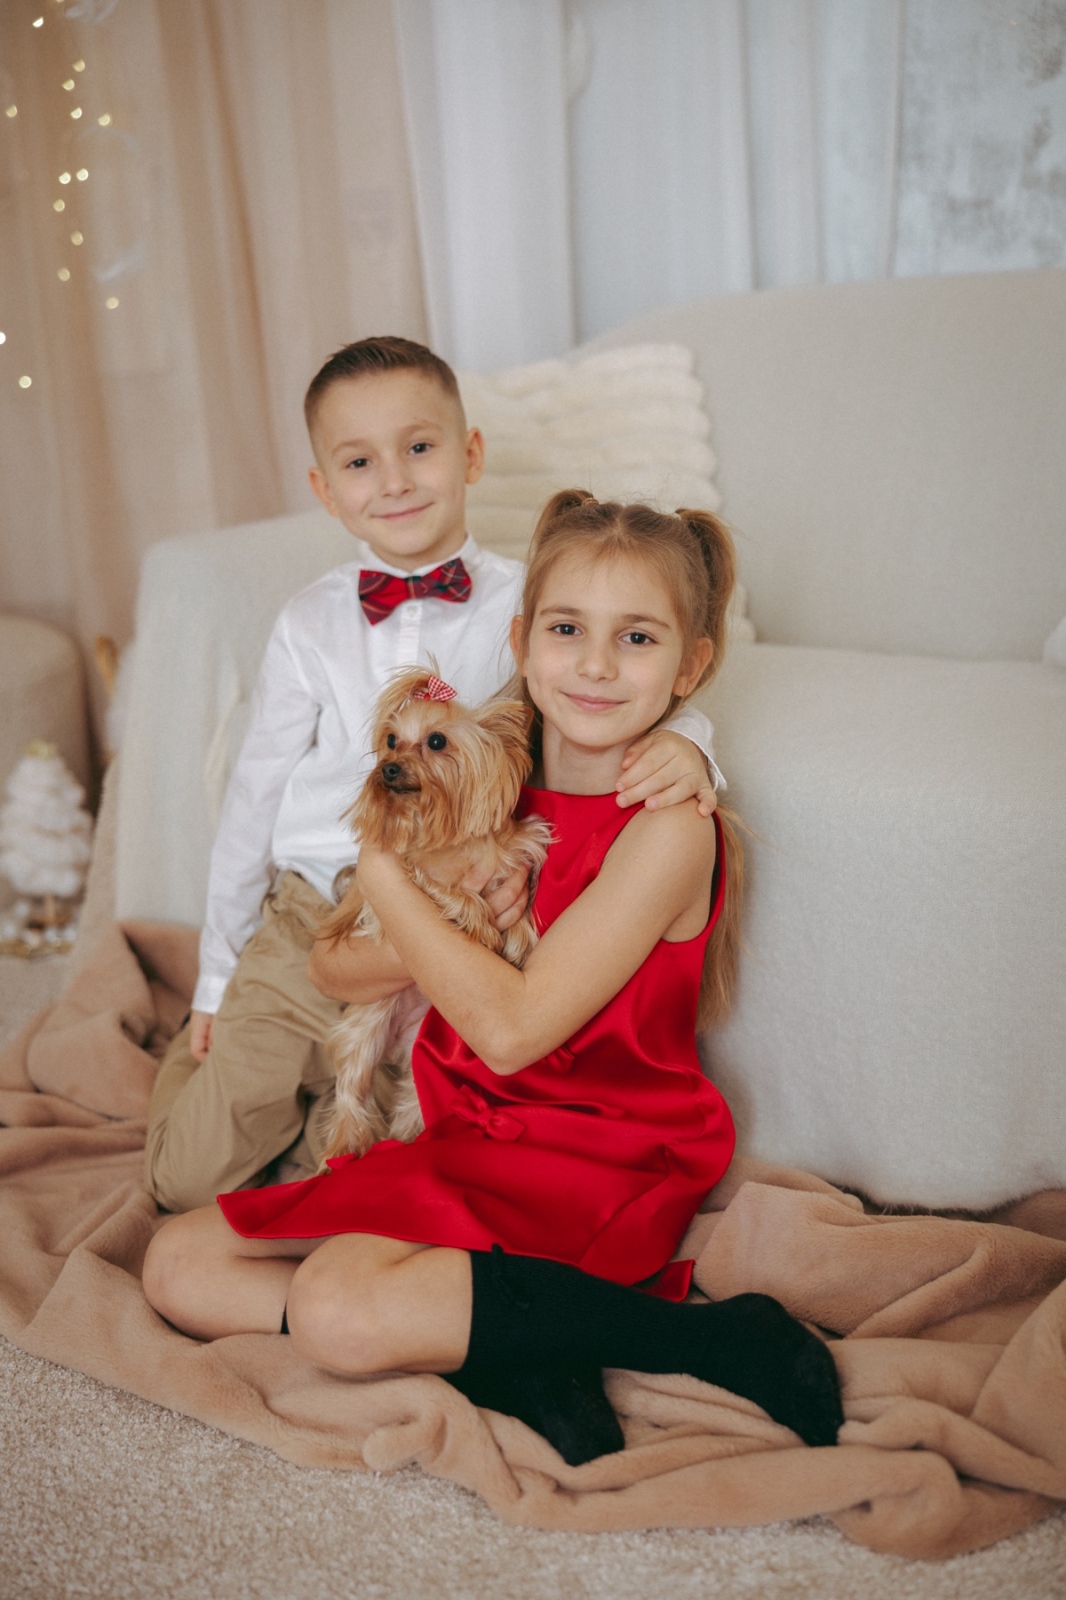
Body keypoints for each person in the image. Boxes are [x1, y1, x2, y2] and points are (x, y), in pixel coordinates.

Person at [142, 490, 844, 1466]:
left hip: (596, 1152)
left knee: (337, 1304)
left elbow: (512, 1032)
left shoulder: (668, 829)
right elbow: (330, 964)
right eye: (566, 629)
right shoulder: (485, 776)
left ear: (690, 666)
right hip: (468, 1128)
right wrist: (406, 906)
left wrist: (386, 871)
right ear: (520, 640)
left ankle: (710, 1337)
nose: (595, 664)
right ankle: (516, 1344)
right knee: (179, 1263)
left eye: (637, 639)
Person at [144, 339, 724, 1214]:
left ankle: (312, 1116)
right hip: (317, 910)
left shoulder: (532, 608)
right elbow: (254, 795)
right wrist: (215, 979)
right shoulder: (307, 623)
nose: (395, 480)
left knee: (375, 1159)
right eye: (359, 462)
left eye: (419, 447)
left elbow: (601, 691)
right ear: (325, 490)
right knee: (189, 1180)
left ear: (471, 455)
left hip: (456, 921)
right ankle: (208, 1082)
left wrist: (695, 745)